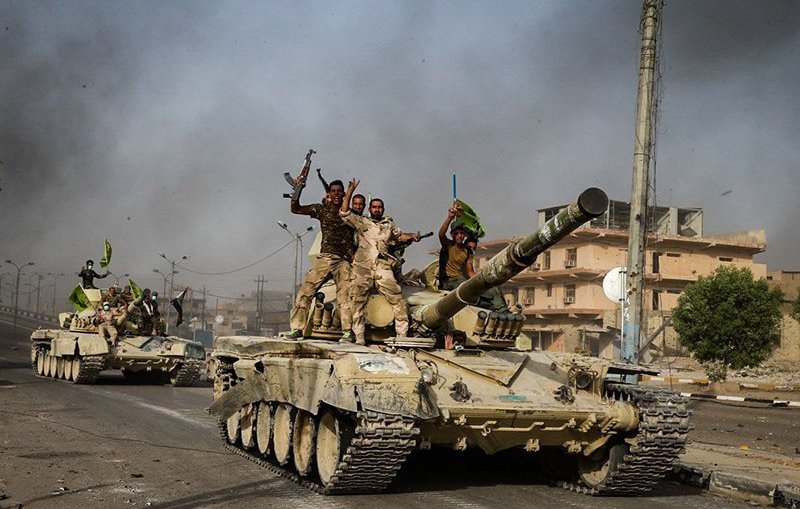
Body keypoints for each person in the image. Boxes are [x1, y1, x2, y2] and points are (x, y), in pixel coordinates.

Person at [341, 179, 420, 345]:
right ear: (370, 209)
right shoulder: (362, 221)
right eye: (374, 207)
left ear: (382, 209)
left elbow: (399, 236)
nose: (377, 209)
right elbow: (345, 212)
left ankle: (402, 336)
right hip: (363, 266)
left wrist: (412, 236)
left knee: (397, 297)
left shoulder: (388, 224)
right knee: (357, 299)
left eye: (379, 207)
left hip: (382, 266)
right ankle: (360, 336)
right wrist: (349, 192)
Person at [285, 178, 355, 340]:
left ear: (344, 194)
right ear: (329, 194)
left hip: (343, 260)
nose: (337, 194)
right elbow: (296, 209)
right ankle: (297, 328)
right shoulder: (321, 209)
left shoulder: (350, 214)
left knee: (345, 296)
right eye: (334, 191)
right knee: (305, 292)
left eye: (339, 191)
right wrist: (297, 190)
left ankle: (347, 331)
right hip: (325, 258)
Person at [438, 204, 507, 312]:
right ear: (452, 235)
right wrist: (450, 217)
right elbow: (441, 234)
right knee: (474, 296)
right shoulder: (448, 245)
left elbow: (470, 272)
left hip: (462, 281)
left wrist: (483, 281)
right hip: (449, 282)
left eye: (462, 233)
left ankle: (503, 311)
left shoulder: (467, 252)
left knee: (492, 289)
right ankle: (496, 309)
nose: (460, 236)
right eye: (457, 233)